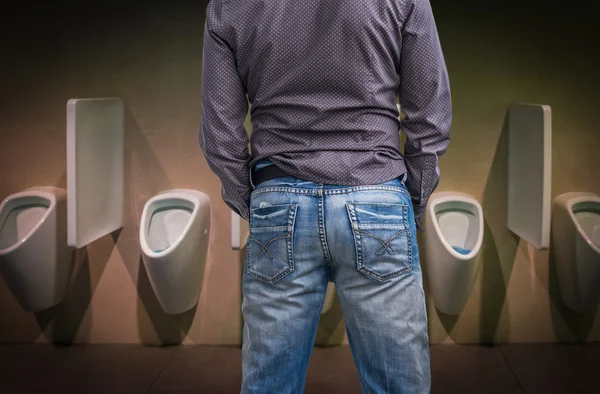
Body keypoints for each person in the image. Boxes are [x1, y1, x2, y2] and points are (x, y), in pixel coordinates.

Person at [199, 0, 451, 392]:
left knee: (270, 386)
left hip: (280, 195)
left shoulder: (229, 5)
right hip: (376, 194)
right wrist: (408, 201)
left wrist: (259, 201)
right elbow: (430, 117)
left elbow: (220, 135)